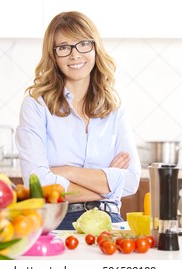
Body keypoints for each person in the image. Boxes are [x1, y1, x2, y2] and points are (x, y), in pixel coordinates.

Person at [15, 11, 141, 230]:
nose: (75, 55)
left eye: (83, 44)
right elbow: (38, 184)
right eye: (64, 47)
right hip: (59, 221)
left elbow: (131, 181)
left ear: (94, 48)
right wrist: (107, 186)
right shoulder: (36, 105)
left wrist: (65, 171)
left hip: (111, 221)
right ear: (53, 55)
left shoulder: (114, 108)